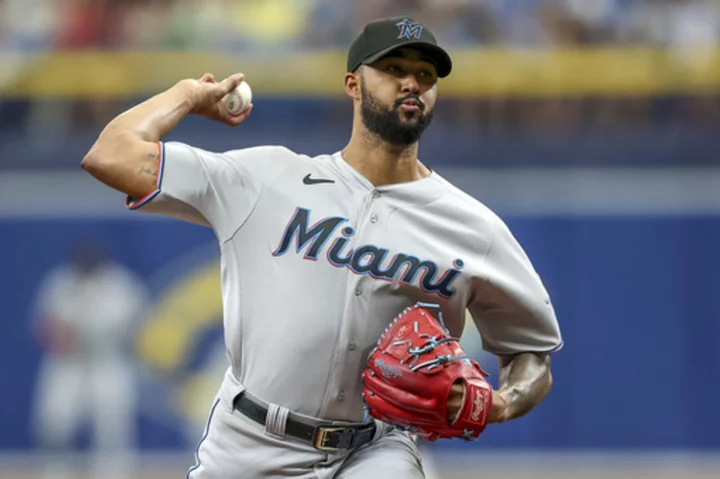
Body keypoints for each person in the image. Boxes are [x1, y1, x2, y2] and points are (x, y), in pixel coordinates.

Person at [81, 16, 563, 479]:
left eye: (425, 74)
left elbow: (532, 354)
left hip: (377, 448)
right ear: (353, 84)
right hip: (250, 439)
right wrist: (186, 95)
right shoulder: (267, 177)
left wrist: (500, 403)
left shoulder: (471, 227)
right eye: (394, 70)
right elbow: (110, 155)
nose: (411, 83)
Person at [30, 238, 148, 479]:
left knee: (112, 425)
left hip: (108, 360)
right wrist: (61, 335)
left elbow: (136, 328)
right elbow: (45, 325)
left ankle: (114, 474)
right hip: (68, 361)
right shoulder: (62, 282)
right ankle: (55, 473)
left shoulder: (120, 284)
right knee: (55, 421)